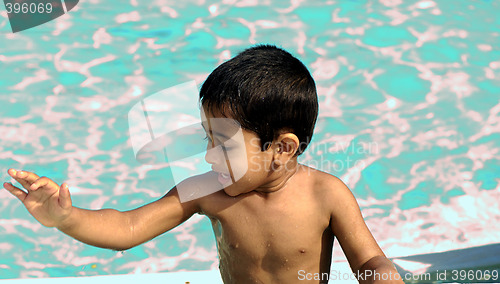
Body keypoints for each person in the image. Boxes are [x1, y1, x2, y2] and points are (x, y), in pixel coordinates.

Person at [3, 45, 403, 284]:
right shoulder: (207, 190)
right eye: (207, 138)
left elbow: (368, 261)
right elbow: (127, 227)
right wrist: (65, 219)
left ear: (282, 148)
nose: (210, 154)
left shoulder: (326, 195)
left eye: (223, 144)